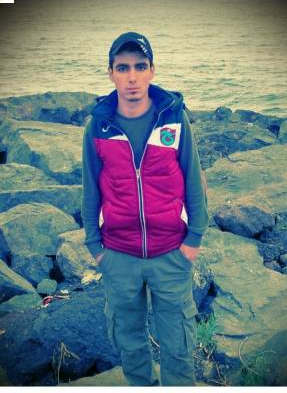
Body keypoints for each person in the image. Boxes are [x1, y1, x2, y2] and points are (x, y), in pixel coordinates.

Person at [81, 31, 209, 386]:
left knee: (178, 344)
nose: (132, 77)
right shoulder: (98, 127)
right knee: (129, 342)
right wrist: (95, 247)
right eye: (123, 68)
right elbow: (90, 189)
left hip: (171, 252)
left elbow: (194, 179)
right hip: (118, 255)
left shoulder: (174, 120)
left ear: (152, 70)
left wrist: (194, 239)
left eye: (140, 66)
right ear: (111, 73)